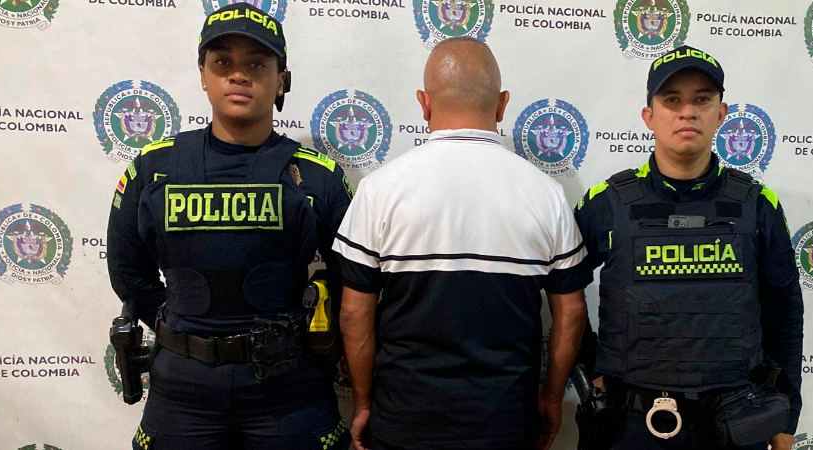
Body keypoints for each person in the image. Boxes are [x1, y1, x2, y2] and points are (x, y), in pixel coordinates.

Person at [106, 3, 353, 448]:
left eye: (256, 64)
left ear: (282, 80)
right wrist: (185, 330)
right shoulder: (153, 169)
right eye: (223, 62)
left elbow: (352, 286)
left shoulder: (318, 177)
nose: (239, 75)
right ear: (203, 74)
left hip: (288, 391)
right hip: (182, 392)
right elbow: (128, 273)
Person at [333, 37, 589, 450]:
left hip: (404, 422)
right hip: (506, 424)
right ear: (502, 105)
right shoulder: (547, 194)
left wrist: (363, 403)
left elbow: (352, 314)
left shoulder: (379, 190)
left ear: (424, 103)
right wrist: (552, 397)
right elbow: (572, 313)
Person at [571, 45, 804, 450]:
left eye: (702, 99)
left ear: (721, 113)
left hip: (736, 420)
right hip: (632, 424)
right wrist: (592, 367)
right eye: (672, 100)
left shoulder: (757, 204)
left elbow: (785, 311)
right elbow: (563, 293)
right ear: (649, 116)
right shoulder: (606, 203)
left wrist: (786, 415)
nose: (687, 113)